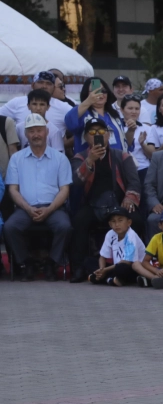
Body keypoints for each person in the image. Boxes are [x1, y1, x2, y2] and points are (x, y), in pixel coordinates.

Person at [69, 116, 142, 282]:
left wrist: (129, 199)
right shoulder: (80, 157)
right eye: (93, 132)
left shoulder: (122, 155)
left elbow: (134, 182)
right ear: (86, 137)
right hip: (93, 204)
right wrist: (90, 160)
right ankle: (79, 268)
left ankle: (136, 266)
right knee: (78, 222)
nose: (97, 135)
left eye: (101, 131)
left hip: (118, 203)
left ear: (108, 135)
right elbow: (76, 181)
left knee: (137, 220)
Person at [5, 113, 73, 280]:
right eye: (31, 131)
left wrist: (49, 209)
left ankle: (52, 263)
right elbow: (13, 189)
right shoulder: (16, 158)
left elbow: (64, 190)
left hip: (53, 207)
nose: (36, 134)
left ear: (46, 132)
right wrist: (28, 208)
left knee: (65, 226)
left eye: (39, 130)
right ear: (26, 134)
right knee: (9, 227)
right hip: (25, 208)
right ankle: (26, 263)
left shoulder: (60, 158)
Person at [1, 72, 70, 152]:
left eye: (48, 83)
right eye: (40, 82)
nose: (44, 86)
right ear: (33, 85)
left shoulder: (55, 127)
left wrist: (69, 143)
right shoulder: (19, 125)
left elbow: (59, 156)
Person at [64, 79, 122, 155]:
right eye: (95, 91)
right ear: (87, 94)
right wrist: (88, 101)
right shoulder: (82, 113)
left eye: (103, 91)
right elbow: (70, 123)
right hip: (89, 162)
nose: (100, 94)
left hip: (116, 162)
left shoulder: (113, 113)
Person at [91, 206, 145, 285]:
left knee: (121, 268)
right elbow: (103, 256)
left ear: (129, 222)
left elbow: (128, 262)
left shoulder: (131, 236)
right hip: (115, 266)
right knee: (89, 261)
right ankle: (108, 278)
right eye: (113, 221)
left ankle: (105, 278)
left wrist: (105, 270)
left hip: (132, 267)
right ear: (110, 224)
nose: (117, 224)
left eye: (120, 220)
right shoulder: (110, 234)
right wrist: (101, 269)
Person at [114, 95, 152, 171]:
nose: (134, 112)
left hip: (143, 168)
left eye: (137, 109)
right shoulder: (115, 127)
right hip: (122, 168)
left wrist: (143, 145)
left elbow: (152, 155)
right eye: (130, 108)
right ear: (122, 110)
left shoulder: (147, 128)